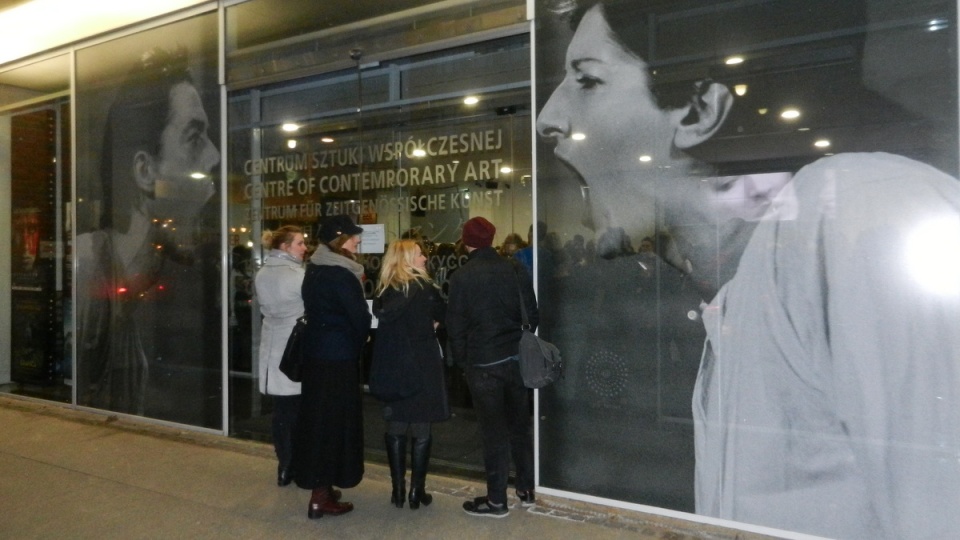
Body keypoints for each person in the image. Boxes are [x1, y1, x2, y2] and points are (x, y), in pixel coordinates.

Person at [536, 1, 960, 538]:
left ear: (696, 111)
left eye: (589, 80)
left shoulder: (858, 211)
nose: (547, 117)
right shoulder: (734, 300)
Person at [75, 46, 219, 415]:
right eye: (194, 136)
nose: (215, 156)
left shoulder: (146, 274)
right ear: (145, 171)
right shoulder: (88, 264)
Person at [446, 216, 539, 518]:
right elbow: (532, 315)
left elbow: (455, 327)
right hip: (515, 359)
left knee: (493, 433)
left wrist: (463, 362)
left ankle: (497, 500)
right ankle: (526, 488)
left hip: (483, 363)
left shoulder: (462, 276)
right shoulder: (514, 268)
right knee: (519, 427)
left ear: (466, 241)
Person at [292, 214, 371, 518]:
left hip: (316, 356)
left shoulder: (314, 270)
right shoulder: (341, 274)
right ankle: (320, 496)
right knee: (334, 424)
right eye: (352, 236)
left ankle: (320, 485)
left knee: (318, 420)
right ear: (340, 240)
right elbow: (360, 318)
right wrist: (359, 340)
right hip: (337, 360)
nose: (357, 240)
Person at [371, 239, 449, 510]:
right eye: (419, 254)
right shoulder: (425, 288)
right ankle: (417, 491)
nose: (425, 258)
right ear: (406, 260)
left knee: (396, 423)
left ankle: (398, 491)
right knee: (421, 426)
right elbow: (442, 315)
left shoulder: (383, 291)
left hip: (393, 365)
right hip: (422, 364)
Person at [253, 226, 307, 487]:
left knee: (281, 412)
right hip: (294, 347)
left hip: (271, 345)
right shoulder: (298, 276)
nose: (304, 248)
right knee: (297, 410)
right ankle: (296, 462)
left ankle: (284, 464)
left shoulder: (262, 273)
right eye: (299, 243)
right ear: (285, 247)